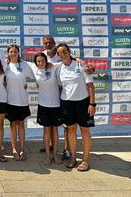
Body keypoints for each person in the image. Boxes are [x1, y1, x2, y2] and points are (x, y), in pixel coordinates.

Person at [56, 43, 95, 172]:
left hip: (82, 103)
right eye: (60, 53)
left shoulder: (80, 64)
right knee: (71, 130)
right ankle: (73, 158)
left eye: (65, 52)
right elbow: (61, 86)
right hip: (66, 104)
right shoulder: (59, 68)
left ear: (69, 51)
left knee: (85, 131)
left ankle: (85, 160)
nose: (63, 55)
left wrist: (92, 103)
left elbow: (90, 85)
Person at [31, 53, 62, 166]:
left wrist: (77, 59)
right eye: (38, 61)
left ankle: (55, 154)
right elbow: (20, 63)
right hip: (43, 105)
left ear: (46, 61)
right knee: (46, 130)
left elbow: (65, 61)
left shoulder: (53, 67)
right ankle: (48, 156)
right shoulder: (34, 68)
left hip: (55, 105)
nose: (40, 63)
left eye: (42, 61)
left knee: (55, 130)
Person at [5, 44, 34, 161]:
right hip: (10, 100)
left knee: (21, 125)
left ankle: (22, 149)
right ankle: (14, 149)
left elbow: (34, 77)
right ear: (8, 53)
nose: (13, 53)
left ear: (18, 53)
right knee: (12, 125)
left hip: (22, 100)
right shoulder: (5, 65)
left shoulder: (25, 65)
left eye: (15, 51)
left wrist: (29, 85)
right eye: (11, 52)